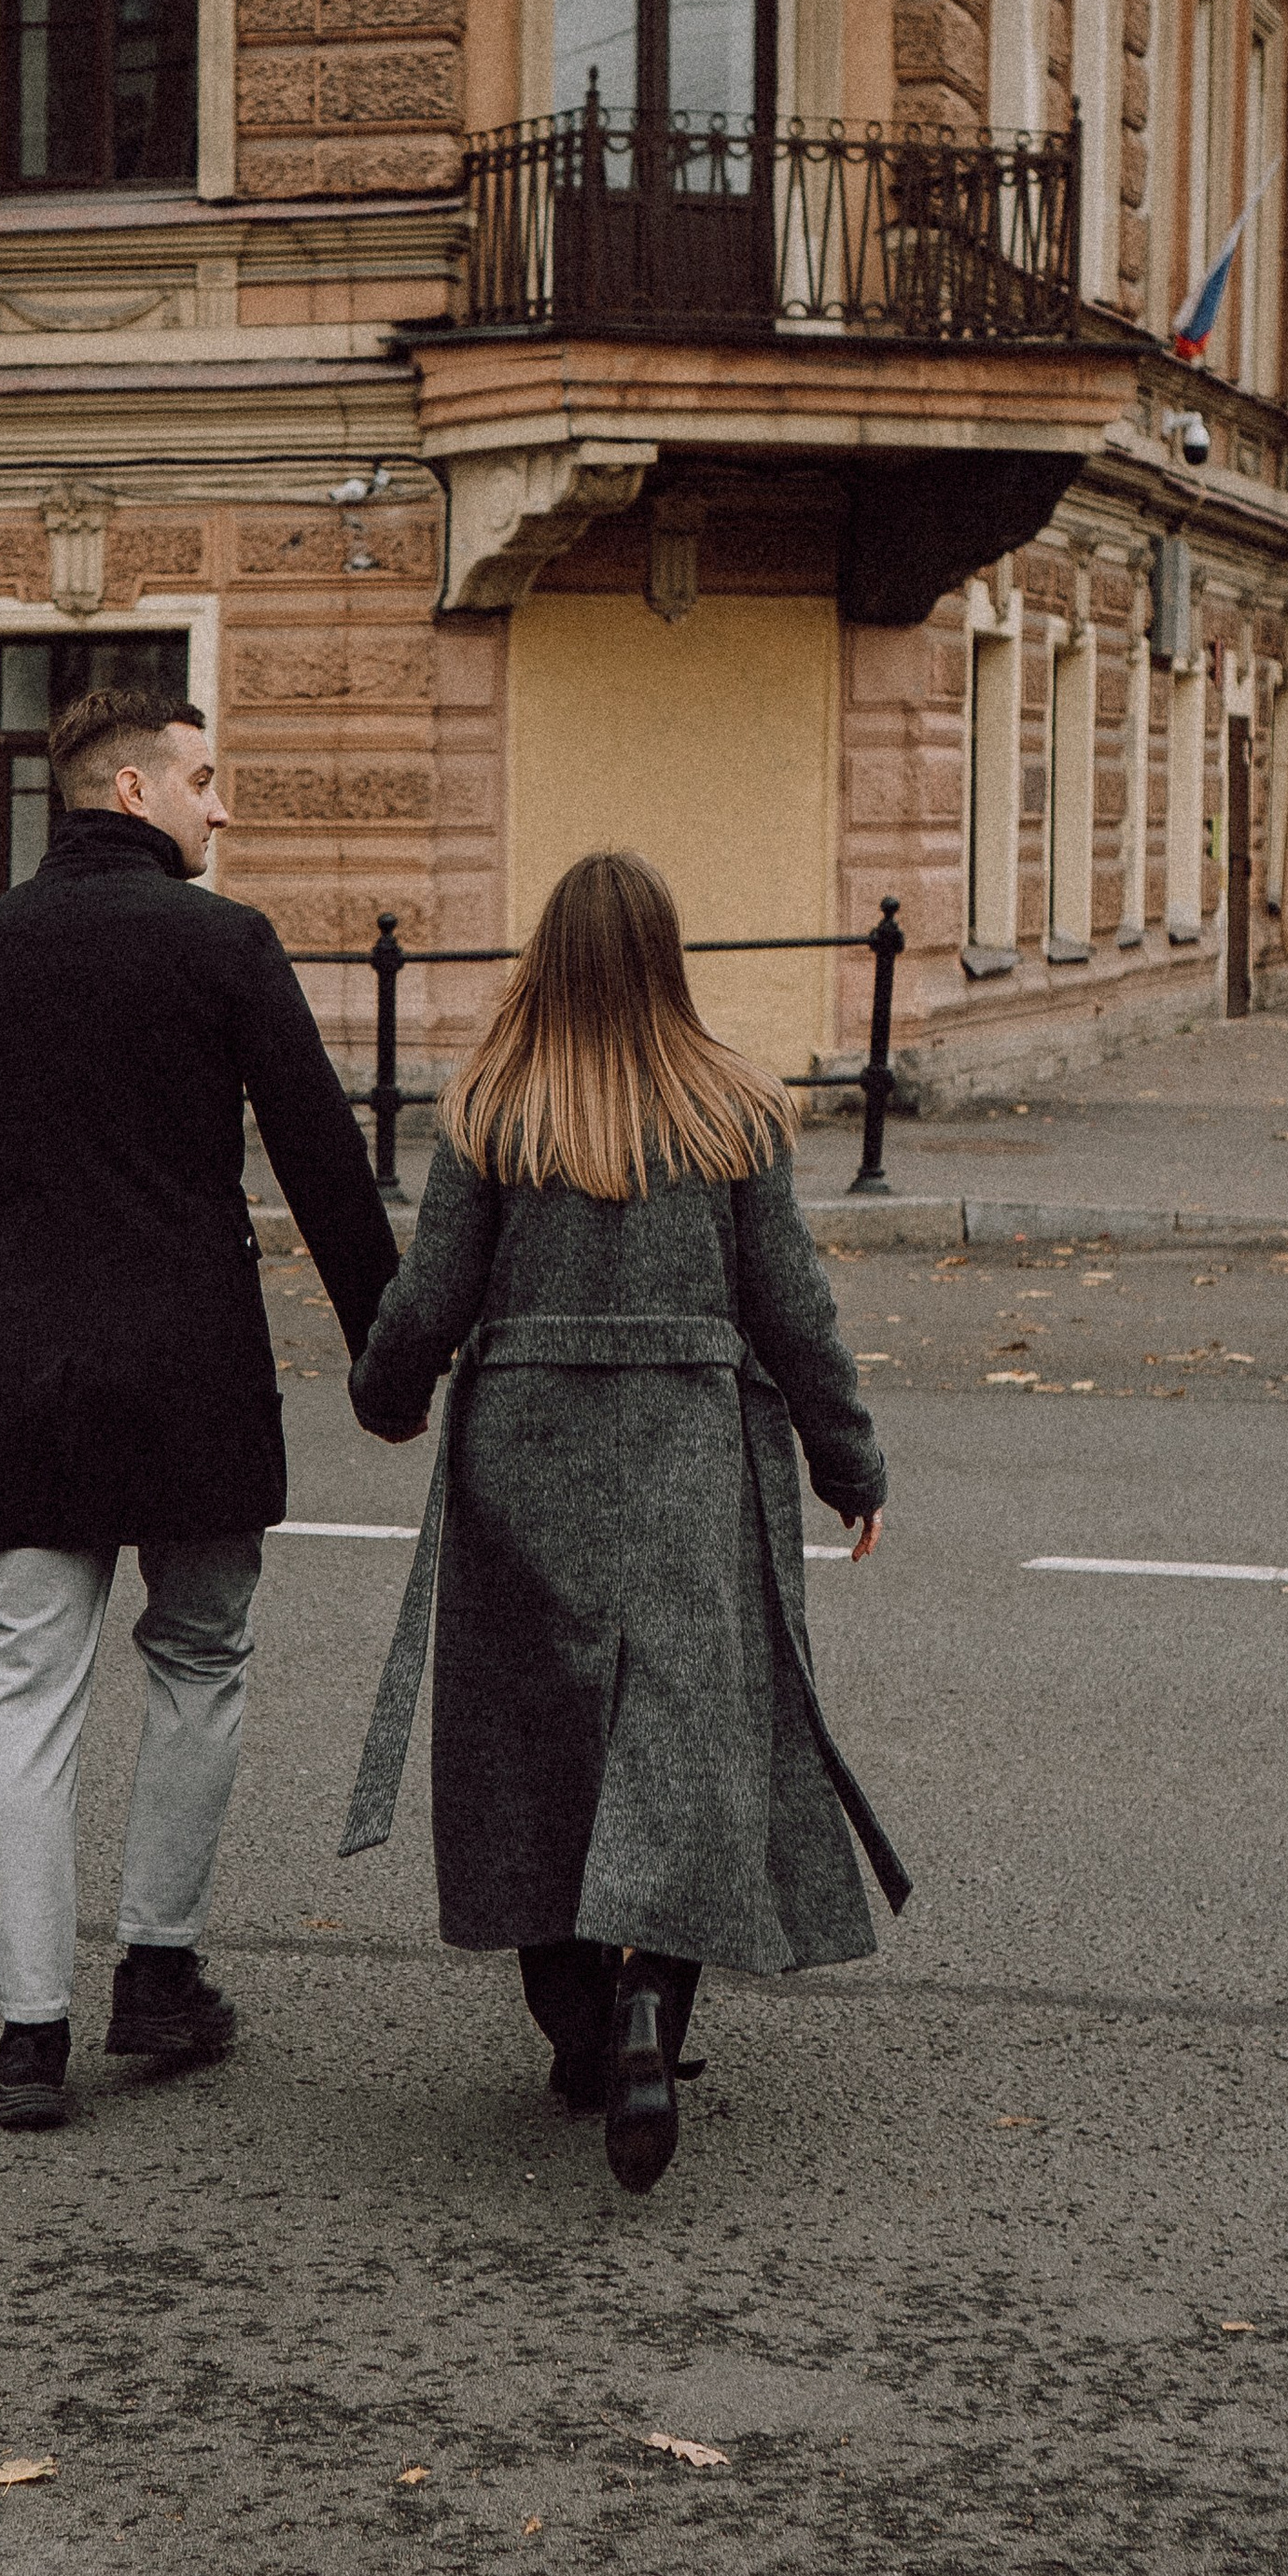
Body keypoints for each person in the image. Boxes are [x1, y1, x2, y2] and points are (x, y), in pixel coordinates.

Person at [339, 847, 908, 2193]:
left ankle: (580, 2031)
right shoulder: (733, 1110)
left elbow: (429, 1298)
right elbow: (794, 1312)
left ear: (546, 959)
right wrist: (852, 1466)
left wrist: (387, 1397)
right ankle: (653, 1998)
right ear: (668, 959)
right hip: (690, 1453)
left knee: (533, 1739)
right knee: (684, 1736)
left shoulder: (494, 1107)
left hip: (525, 1456)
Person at [0, 685, 399, 2135]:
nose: (221, 806)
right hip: (194, 1368)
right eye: (204, 779)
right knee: (200, 1658)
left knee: (23, 1699)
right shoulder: (223, 944)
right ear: (130, 791)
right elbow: (322, 1160)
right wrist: (387, 1356)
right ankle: (160, 1973)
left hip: (30, 1368)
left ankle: (31, 2037)